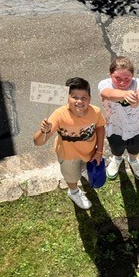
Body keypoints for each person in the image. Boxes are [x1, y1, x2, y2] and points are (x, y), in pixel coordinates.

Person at [33, 77, 105, 210]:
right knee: (72, 177)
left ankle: (83, 170)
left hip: (89, 151)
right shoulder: (59, 115)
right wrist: (44, 131)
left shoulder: (95, 111)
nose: (80, 101)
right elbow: (38, 142)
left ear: (90, 98)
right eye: (75, 97)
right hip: (68, 156)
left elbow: (100, 127)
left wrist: (99, 151)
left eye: (84, 97)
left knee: (84, 166)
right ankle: (73, 192)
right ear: (67, 98)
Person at [98, 56, 139, 180]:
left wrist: (138, 99)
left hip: (137, 127)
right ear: (110, 74)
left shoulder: (137, 83)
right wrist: (125, 94)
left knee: (135, 148)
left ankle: (133, 160)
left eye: (127, 79)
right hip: (115, 127)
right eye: (117, 78)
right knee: (116, 148)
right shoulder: (104, 84)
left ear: (132, 76)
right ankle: (117, 159)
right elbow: (108, 93)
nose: (122, 83)